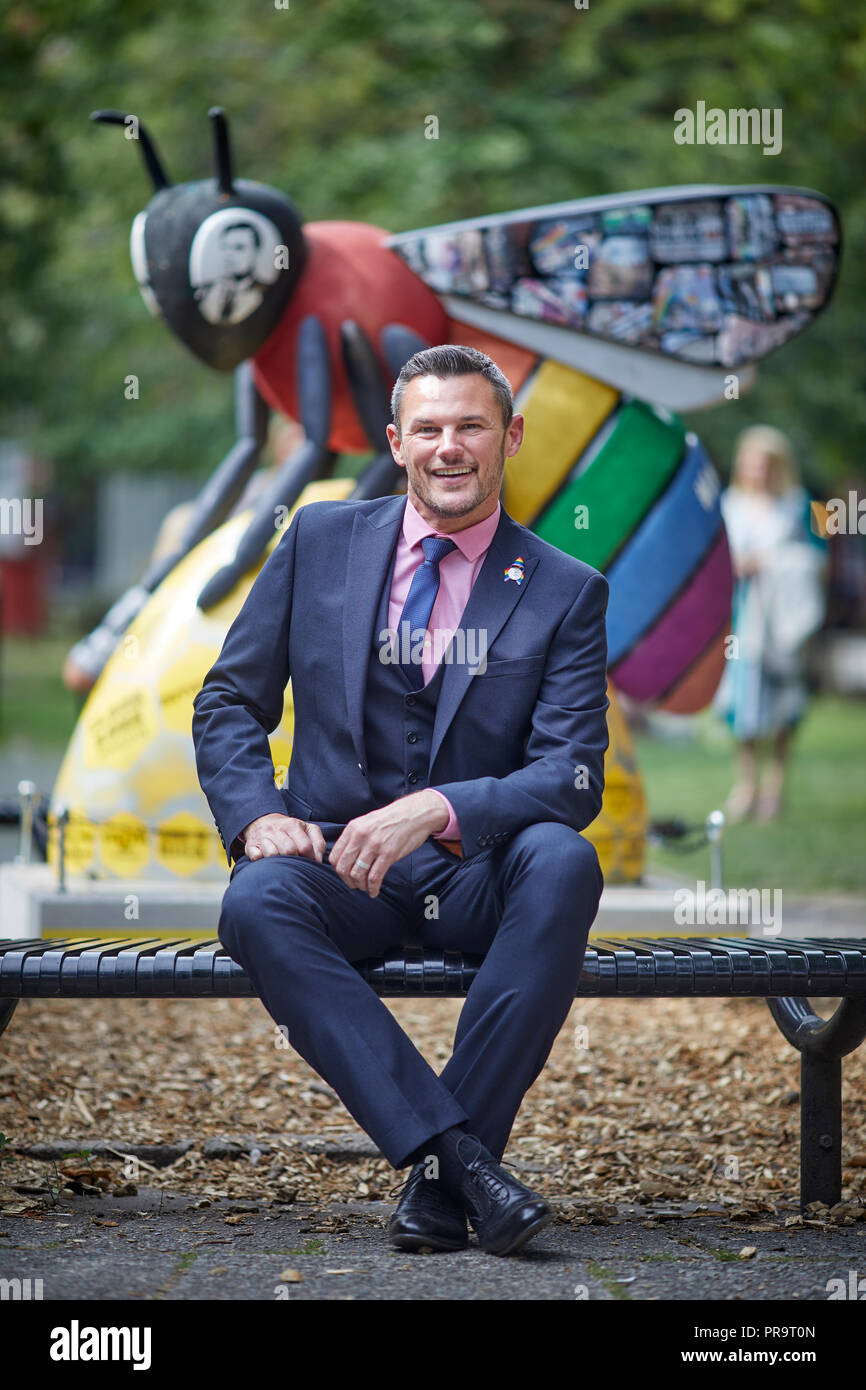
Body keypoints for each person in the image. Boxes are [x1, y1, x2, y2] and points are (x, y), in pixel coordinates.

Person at [192, 344, 609, 1257]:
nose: (448, 446)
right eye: (428, 428)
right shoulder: (317, 539)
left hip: (478, 872)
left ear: (511, 438)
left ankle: (439, 1176)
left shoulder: (566, 591)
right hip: (341, 867)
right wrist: (258, 813)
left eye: (471, 426)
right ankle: (458, 1166)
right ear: (396, 440)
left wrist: (440, 808)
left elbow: (573, 775)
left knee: (565, 860)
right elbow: (228, 699)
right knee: (257, 900)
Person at [715, 425, 827, 822]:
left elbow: (819, 559)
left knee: (784, 702)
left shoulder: (801, 505)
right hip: (744, 619)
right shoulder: (729, 504)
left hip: (783, 621)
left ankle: (775, 787)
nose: (759, 471)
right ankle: (746, 785)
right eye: (753, 463)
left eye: (766, 464)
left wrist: (772, 562)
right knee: (742, 705)